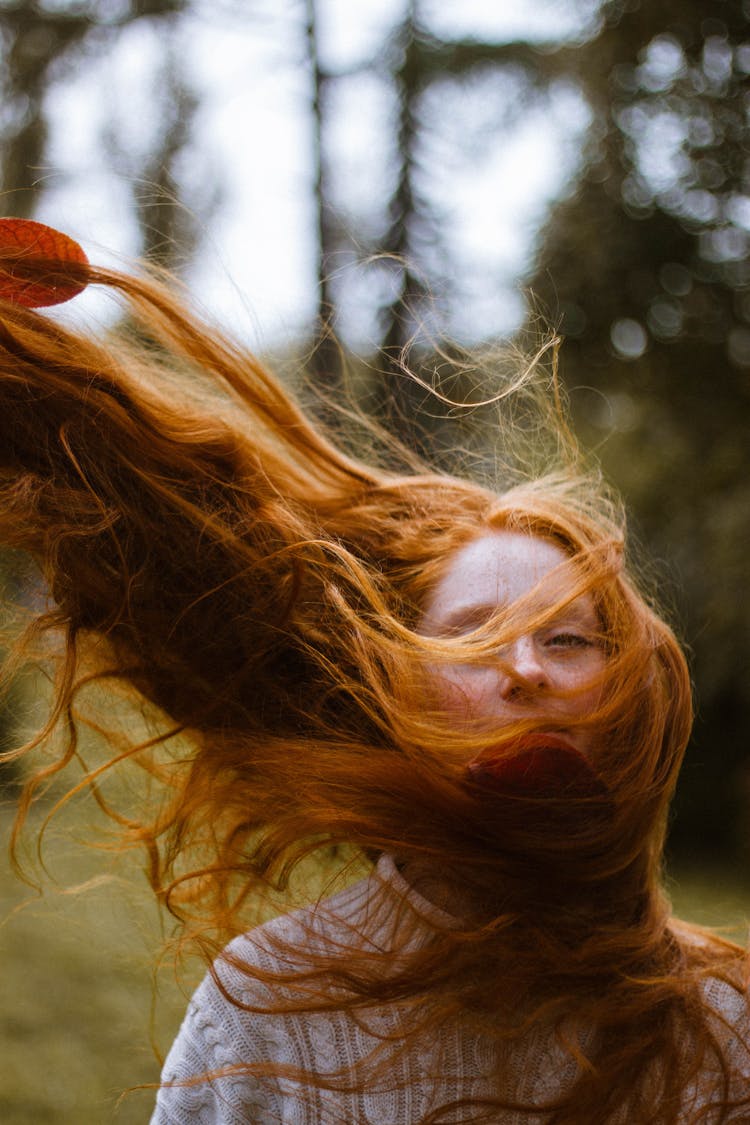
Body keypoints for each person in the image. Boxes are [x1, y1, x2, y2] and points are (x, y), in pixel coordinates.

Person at [0, 221, 748, 1123]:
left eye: (568, 640)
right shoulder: (269, 1003)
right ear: (399, 696)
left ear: (629, 692)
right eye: (472, 639)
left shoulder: (725, 1019)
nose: (524, 671)